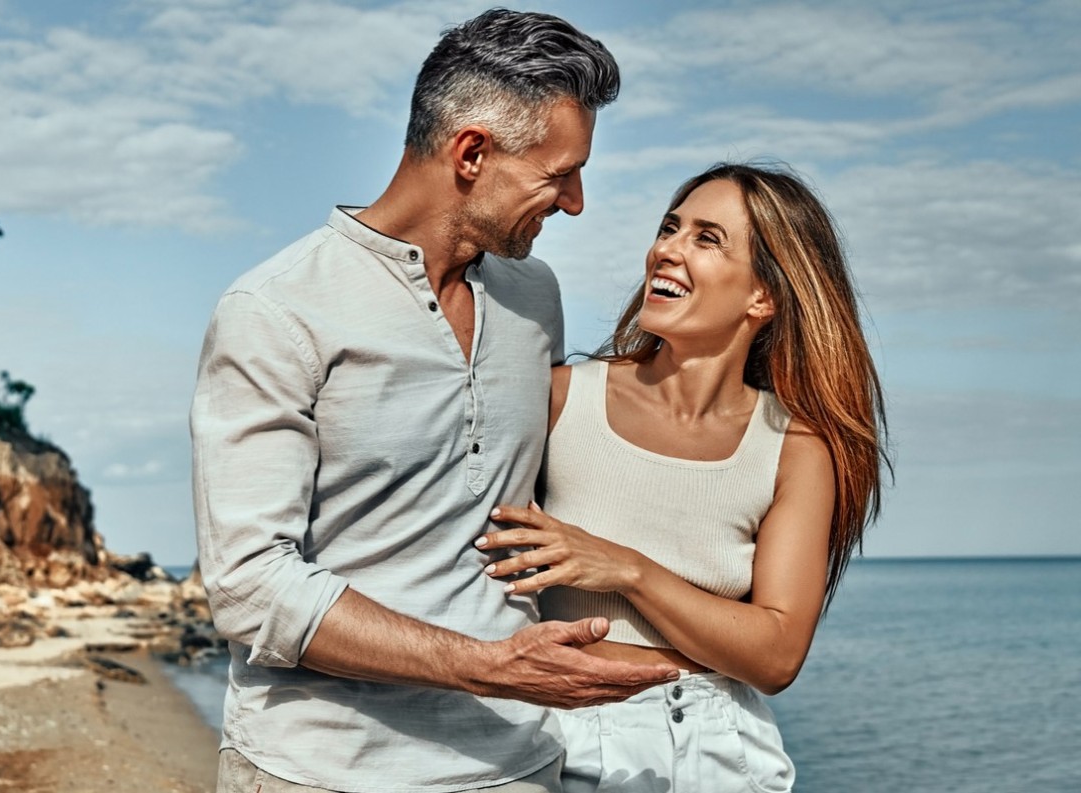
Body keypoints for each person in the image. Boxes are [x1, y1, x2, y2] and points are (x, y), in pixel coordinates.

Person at [189, 9, 680, 793]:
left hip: (518, 765)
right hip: (318, 771)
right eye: (559, 174)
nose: (576, 201)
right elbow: (250, 585)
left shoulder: (533, 296)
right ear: (472, 153)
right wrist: (487, 667)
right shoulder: (276, 310)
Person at [479, 163, 890, 792]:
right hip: (568, 735)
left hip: (724, 747)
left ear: (764, 297)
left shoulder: (795, 446)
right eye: (671, 228)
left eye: (707, 238)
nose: (667, 250)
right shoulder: (562, 398)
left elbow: (776, 654)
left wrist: (627, 569)